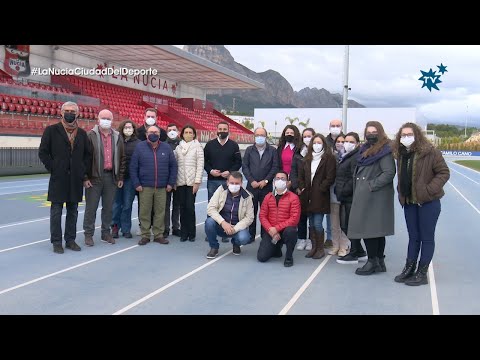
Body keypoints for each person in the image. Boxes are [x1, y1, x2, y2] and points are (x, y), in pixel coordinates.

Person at [392, 122, 450, 286]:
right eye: (403, 135)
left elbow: (444, 173)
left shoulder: (431, 152)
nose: (406, 137)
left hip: (428, 203)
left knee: (426, 238)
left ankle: (422, 272)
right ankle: (409, 268)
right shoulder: (402, 153)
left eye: (409, 134)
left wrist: (429, 190)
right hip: (409, 202)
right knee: (413, 237)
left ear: (417, 135)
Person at [38, 101, 90, 254]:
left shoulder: (82, 133)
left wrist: (81, 171)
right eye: (67, 110)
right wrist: (53, 167)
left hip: (75, 179)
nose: (69, 113)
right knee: (56, 211)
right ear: (61, 113)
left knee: (73, 211)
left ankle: (70, 240)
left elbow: (87, 155)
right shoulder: (51, 130)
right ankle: (56, 242)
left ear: (77, 114)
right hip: (58, 178)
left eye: (72, 111)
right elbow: (43, 152)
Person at [348, 121, 396, 276]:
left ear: (380, 132)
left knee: (370, 230)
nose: (371, 134)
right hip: (367, 195)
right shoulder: (366, 149)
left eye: (374, 131)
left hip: (375, 196)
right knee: (376, 230)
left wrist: (370, 186)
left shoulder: (384, 150)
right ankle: (379, 262)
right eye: (368, 132)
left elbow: (389, 173)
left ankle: (372, 262)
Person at [83, 110, 126, 246]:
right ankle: (88, 234)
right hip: (94, 177)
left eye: (108, 118)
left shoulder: (118, 136)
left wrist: (120, 177)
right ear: (98, 119)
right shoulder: (90, 135)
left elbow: (122, 158)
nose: (106, 120)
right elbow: (83, 158)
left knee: (108, 208)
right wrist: (85, 177)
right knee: (91, 207)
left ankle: (105, 233)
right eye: (103, 118)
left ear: (112, 120)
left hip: (111, 177)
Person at [130, 125, 177, 246]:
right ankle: (145, 235)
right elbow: (133, 166)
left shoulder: (166, 147)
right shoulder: (140, 147)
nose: (153, 134)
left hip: (162, 187)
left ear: (160, 134)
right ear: (146, 134)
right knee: (144, 212)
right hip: (145, 186)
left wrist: (170, 183)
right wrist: (136, 183)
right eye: (151, 132)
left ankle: (158, 235)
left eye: (156, 132)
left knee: (160, 212)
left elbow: (173, 166)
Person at [298, 134, 336, 259]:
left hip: (320, 195)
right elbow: (301, 175)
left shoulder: (328, 158)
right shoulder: (307, 158)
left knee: (318, 222)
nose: (316, 145)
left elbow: (330, 176)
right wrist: (303, 187)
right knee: (311, 223)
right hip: (307, 195)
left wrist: (321, 188)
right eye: (314, 143)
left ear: (323, 144)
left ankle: (320, 248)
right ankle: (314, 247)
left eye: (319, 143)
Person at [204, 121, 242, 242]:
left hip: (228, 182)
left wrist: (230, 172)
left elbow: (238, 162)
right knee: (212, 205)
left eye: (225, 129)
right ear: (216, 130)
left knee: (227, 206)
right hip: (213, 181)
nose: (222, 131)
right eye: (220, 129)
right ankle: (210, 232)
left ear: (228, 130)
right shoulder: (209, 145)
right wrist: (210, 171)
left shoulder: (234, 145)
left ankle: (225, 232)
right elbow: (204, 161)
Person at [335, 132, 368, 265]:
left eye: (350, 141)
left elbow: (354, 177)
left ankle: (355, 252)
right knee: (345, 224)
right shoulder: (346, 156)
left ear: (357, 143)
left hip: (350, 196)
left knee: (347, 224)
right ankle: (359, 251)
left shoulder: (355, 157)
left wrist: (344, 190)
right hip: (344, 196)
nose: (346, 144)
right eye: (345, 141)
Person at [242, 127, 279, 243]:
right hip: (251, 186)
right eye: (257, 135)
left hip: (266, 187)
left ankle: (265, 236)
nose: (259, 137)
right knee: (250, 212)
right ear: (254, 136)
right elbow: (245, 167)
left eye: (262, 135)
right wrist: (251, 180)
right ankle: (250, 235)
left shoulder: (272, 150)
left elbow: (275, 167)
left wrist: (266, 181)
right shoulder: (249, 150)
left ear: (266, 136)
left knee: (266, 213)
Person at [205, 171, 254, 259]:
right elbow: (210, 208)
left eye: (237, 183)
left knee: (244, 238)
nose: (234, 185)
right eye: (232, 183)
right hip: (221, 226)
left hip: (236, 228)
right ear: (227, 182)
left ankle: (236, 243)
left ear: (241, 184)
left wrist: (234, 229)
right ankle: (214, 247)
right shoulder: (221, 190)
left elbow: (249, 217)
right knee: (209, 222)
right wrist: (223, 223)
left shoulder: (247, 196)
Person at [257, 171, 301, 267]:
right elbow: (262, 215)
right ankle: (276, 248)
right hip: (271, 231)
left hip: (285, 230)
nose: (280, 180)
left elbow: (294, 219)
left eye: (283, 178)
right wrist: (270, 229)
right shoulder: (268, 197)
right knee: (262, 257)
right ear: (273, 182)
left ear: (287, 182)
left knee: (291, 231)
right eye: (277, 178)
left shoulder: (294, 198)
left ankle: (289, 256)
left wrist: (276, 228)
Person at [135, 108, 167, 235]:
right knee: (143, 206)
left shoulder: (162, 133)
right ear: (144, 117)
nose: (150, 118)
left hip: (159, 179)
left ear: (156, 118)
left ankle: (157, 229)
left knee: (159, 208)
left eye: (152, 116)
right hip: (144, 177)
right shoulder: (137, 132)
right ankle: (143, 227)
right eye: (148, 116)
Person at [174, 125, 204, 242]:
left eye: (190, 132)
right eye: (186, 132)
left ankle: (192, 233)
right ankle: (184, 233)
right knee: (182, 207)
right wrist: (175, 181)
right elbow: (175, 165)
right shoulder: (178, 148)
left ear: (194, 134)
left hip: (192, 182)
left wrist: (197, 182)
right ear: (182, 134)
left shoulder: (198, 147)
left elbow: (200, 166)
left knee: (190, 207)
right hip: (180, 182)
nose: (188, 134)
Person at [111, 120, 140, 239]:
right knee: (116, 204)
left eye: (131, 127)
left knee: (127, 205)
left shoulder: (138, 143)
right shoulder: (116, 141)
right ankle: (114, 226)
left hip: (130, 178)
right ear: (122, 128)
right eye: (126, 127)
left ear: (134, 129)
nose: (128, 129)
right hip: (117, 177)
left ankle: (126, 228)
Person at [291, 127, 315, 252]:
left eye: (309, 136)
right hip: (300, 191)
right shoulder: (297, 154)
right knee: (301, 216)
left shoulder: (317, 153)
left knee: (312, 216)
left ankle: (311, 240)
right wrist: (297, 187)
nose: (307, 138)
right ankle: (301, 239)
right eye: (305, 136)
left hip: (312, 191)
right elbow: (293, 172)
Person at [323, 119, 344, 249]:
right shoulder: (325, 142)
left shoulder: (346, 139)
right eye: (333, 126)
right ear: (329, 127)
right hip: (329, 182)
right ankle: (330, 238)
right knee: (330, 213)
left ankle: (344, 239)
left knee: (342, 212)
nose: (335, 128)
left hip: (343, 184)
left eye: (337, 126)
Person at [328, 135, 350, 257]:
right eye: (339, 141)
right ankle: (335, 245)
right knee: (334, 222)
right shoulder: (332, 157)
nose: (341, 143)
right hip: (333, 193)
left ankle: (344, 246)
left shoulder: (351, 157)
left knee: (344, 222)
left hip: (346, 194)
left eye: (344, 141)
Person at [164, 123, 181, 238]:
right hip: (166, 180)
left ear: (178, 131)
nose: (172, 132)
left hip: (180, 179)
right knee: (165, 205)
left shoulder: (183, 144)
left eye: (174, 129)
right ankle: (165, 228)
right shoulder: (163, 145)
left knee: (177, 205)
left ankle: (176, 227)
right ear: (166, 132)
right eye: (169, 130)